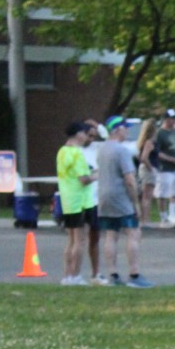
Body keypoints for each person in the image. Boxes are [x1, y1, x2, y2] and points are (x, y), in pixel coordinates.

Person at [97, 116, 154, 287]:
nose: (127, 131)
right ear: (118, 130)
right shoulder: (121, 151)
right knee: (133, 232)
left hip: (104, 196)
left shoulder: (102, 149)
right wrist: (136, 202)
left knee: (111, 234)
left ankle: (113, 274)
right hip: (120, 196)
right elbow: (129, 179)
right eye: (125, 127)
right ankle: (134, 274)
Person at [56, 121, 96, 285]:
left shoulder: (62, 151)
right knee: (80, 240)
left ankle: (67, 275)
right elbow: (84, 179)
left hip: (68, 200)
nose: (86, 136)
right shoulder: (77, 154)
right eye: (85, 133)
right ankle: (76, 275)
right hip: (81, 201)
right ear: (78, 134)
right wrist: (97, 175)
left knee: (71, 240)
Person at [81, 119, 108, 283]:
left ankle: (95, 272)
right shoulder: (75, 151)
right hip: (79, 199)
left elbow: (108, 139)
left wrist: (98, 126)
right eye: (88, 135)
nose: (91, 139)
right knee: (78, 239)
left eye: (93, 136)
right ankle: (73, 273)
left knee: (95, 238)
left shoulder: (96, 148)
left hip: (95, 199)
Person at [135, 118, 160, 225]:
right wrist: (151, 168)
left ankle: (144, 218)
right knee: (147, 196)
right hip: (148, 169)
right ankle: (145, 219)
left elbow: (138, 156)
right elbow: (144, 157)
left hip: (144, 169)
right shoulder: (149, 142)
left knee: (146, 195)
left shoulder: (143, 142)